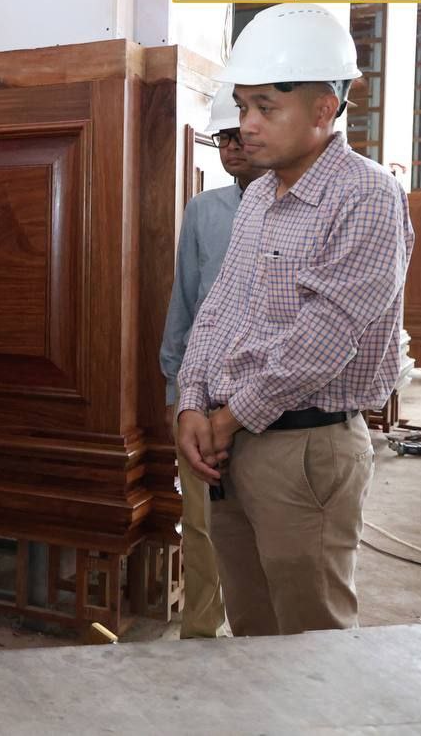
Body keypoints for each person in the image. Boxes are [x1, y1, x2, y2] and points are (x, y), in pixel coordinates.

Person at [176, 5, 414, 636]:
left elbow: (326, 337)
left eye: (265, 108)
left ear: (323, 109)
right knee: (253, 628)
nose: (246, 125)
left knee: (312, 640)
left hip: (306, 449)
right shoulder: (258, 196)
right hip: (232, 444)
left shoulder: (366, 195)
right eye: (242, 107)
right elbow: (218, 309)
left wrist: (227, 418)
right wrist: (192, 402)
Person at [159, 83, 266, 639]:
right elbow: (185, 303)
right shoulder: (204, 211)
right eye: (222, 138)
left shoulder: (293, 209)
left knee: (262, 531)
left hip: (268, 403)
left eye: (237, 136)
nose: (231, 147)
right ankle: (200, 633)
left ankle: (261, 645)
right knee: (200, 525)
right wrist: (176, 394)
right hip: (200, 397)